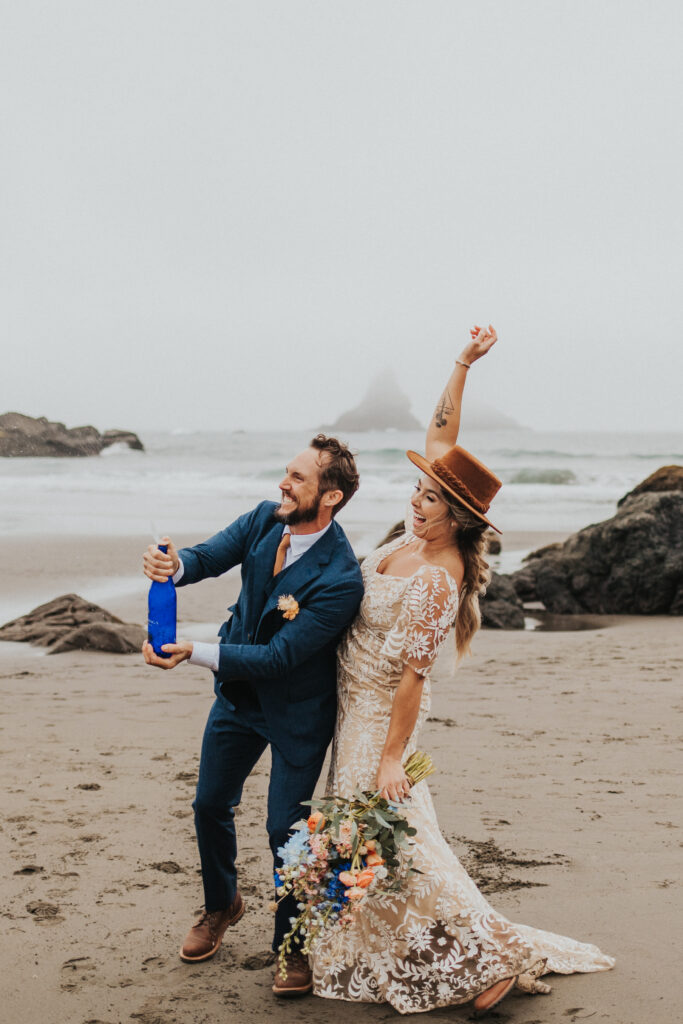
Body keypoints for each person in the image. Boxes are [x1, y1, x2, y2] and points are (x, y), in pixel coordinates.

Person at [310, 326, 615, 1015]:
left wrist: (392, 757)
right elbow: (441, 435)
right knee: (381, 842)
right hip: (348, 706)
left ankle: (486, 963)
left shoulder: (438, 581)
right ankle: (448, 947)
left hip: (375, 721)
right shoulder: (415, 538)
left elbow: (413, 677)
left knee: (395, 842)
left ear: (457, 520)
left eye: (428, 501)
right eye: (415, 492)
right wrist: (461, 364)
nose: (413, 504)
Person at [142, 434, 364, 996]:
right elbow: (206, 558)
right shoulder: (266, 519)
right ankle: (222, 906)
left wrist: (194, 651)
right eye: (285, 473)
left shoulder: (341, 579)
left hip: (296, 713)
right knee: (209, 804)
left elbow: (281, 656)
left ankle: (291, 946)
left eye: (297, 478)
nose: (282, 485)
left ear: (330, 496)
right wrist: (172, 564)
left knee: (283, 830)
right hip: (238, 700)